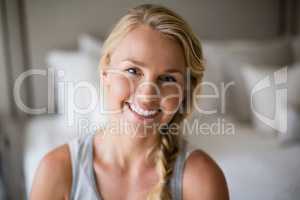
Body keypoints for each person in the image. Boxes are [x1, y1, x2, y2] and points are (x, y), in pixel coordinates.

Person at [30, 4, 229, 200]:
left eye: (168, 79)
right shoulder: (57, 171)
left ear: (185, 91)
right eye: (133, 71)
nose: (147, 95)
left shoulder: (202, 179)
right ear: (105, 73)